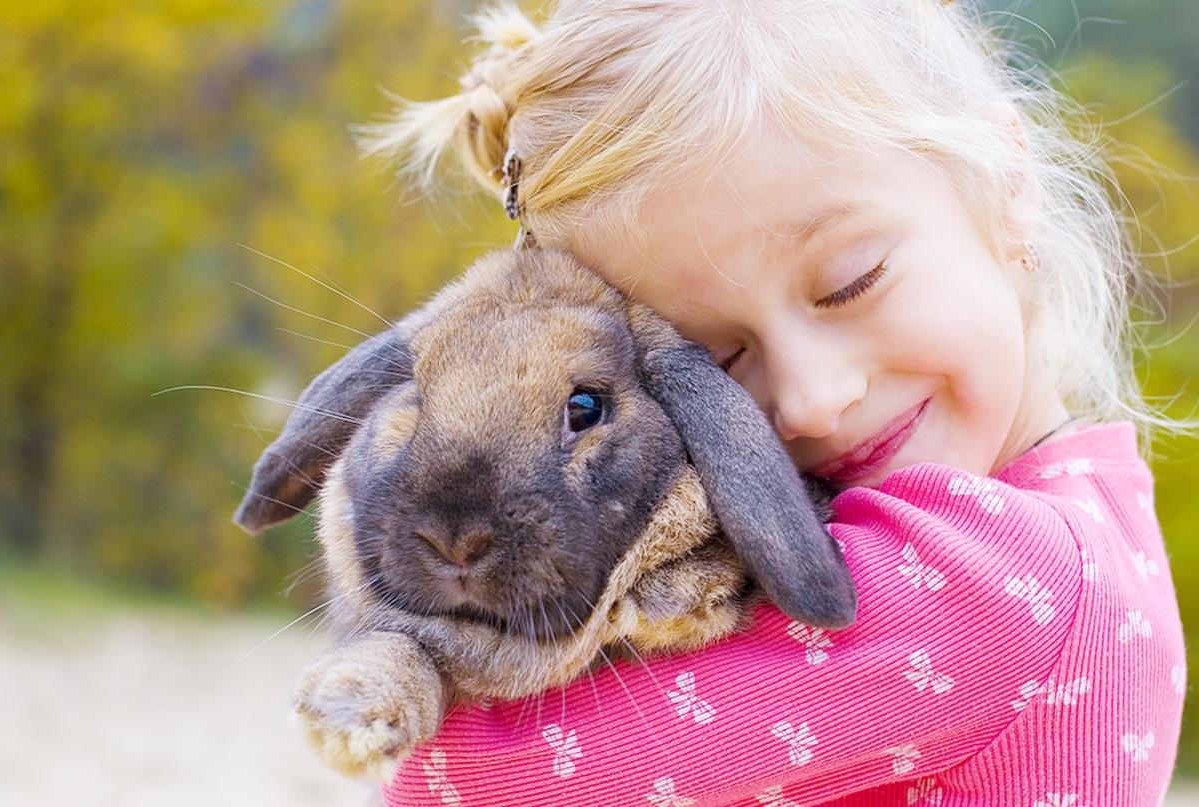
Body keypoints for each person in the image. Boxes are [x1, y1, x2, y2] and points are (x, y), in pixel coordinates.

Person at [356, 1, 1192, 803]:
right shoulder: (1094, 514)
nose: (810, 399)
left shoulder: (995, 581)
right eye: (715, 358)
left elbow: (460, 776)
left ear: (1008, 181)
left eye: (849, 283)